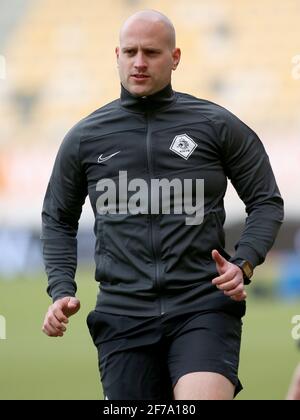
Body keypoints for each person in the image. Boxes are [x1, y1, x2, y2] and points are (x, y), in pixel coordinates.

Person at [41, 9, 284, 400]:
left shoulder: (216, 125)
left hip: (201, 306)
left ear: (175, 58)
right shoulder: (85, 138)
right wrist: (60, 289)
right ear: (116, 54)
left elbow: (266, 201)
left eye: (151, 52)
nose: (139, 62)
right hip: (122, 315)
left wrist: (245, 263)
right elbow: (57, 219)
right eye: (130, 52)